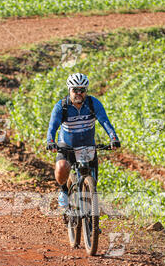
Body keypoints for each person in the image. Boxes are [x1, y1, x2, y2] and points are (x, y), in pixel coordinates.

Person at [46, 73, 121, 207]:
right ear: (69, 90)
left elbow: (105, 121)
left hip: (87, 145)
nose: (79, 93)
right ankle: (63, 191)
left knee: (93, 182)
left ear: (86, 91)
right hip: (67, 144)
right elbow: (52, 126)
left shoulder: (93, 103)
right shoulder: (61, 106)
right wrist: (50, 142)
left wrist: (113, 138)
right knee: (62, 167)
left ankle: (91, 220)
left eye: (82, 90)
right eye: (75, 90)